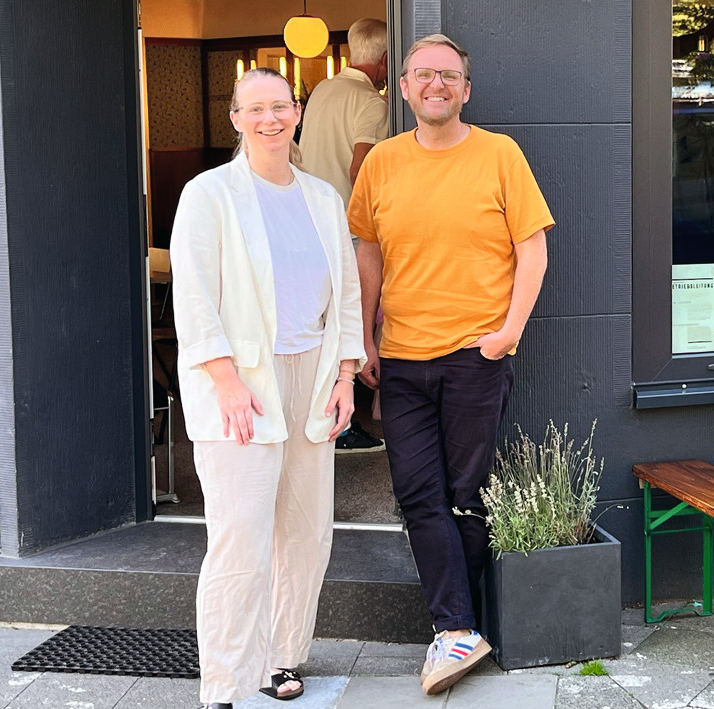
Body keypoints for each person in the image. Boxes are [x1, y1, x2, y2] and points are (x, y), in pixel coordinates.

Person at [347, 34, 554, 696]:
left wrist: (507, 334)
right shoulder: (380, 162)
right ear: (401, 88)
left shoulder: (500, 155)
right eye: (422, 74)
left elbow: (533, 251)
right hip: (404, 359)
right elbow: (368, 254)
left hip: (475, 356)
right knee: (416, 494)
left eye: (449, 75)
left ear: (466, 88)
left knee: (466, 499)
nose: (435, 84)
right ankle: (459, 627)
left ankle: (457, 627)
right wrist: (365, 338)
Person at [171, 66, 366, 709]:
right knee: (239, 536)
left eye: (279, 107)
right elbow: (195, 297)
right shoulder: (209, 194)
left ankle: (282, 657)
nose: (270, 120)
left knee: (306, 534)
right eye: (255, 109)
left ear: (298, 111)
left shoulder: (322, 198)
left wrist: (344, 377)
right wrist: (224, 381)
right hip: (240, 383)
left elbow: (345, 295)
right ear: (235, 118)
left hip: (312, 378)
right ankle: (225, 681)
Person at [299, 16, 390, 455]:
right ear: (385, 60)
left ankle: (323, 414)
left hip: (308, 221)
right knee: (352, 318)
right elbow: (362, 168)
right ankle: (346, 419)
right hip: (348, 228)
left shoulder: (322, 90)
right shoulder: (372, 102)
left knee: (319, 318)